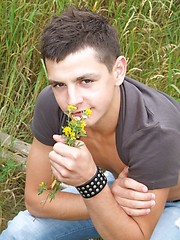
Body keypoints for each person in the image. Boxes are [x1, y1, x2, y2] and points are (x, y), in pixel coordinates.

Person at [1, 6, 180, 240]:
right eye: (59, 84)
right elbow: (37, 199)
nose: (72, 101)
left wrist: (91, 183)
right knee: (19, 233)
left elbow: (133, 237)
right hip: (121, 188)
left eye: (85, 81)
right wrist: (105, 194)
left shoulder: (154, 128)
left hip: (172, 200)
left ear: (118, 71)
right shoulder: (52, 103)